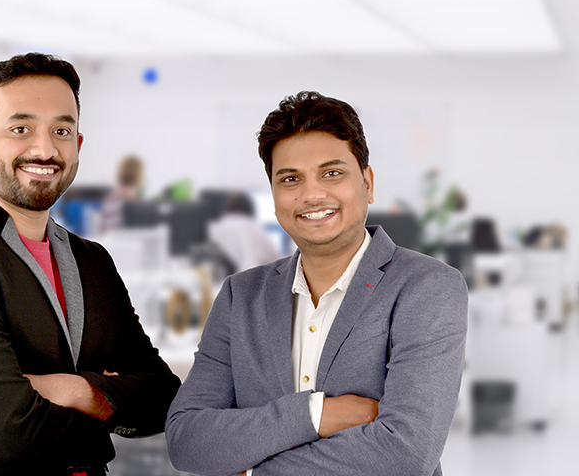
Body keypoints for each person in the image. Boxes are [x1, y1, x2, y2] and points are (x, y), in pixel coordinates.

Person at [0, 53, 181, 475]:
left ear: (78, 145)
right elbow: (11, 433)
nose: (45, 150)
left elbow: (162, 399)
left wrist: (76, 390)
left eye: (61, 131)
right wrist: (108, 404)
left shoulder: (92, 261)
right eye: (20, 129)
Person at [165, 91, 467, 476]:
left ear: (368, 183)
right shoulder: (241, 297)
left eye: (332, 173)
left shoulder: (426, 287)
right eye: (291, 179)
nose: (311, 194)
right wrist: (315, 414)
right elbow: (187, 440)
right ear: (274, 195)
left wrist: (252, 471)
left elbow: (406, 452)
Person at [208, 192, 280, 272]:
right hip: (250, 275)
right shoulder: (254, 228)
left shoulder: (215, 228)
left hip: (218, 276)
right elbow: (274, 259)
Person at [98, 154, 144, 233]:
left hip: (106, 237)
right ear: (138, 175)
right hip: (121, 238)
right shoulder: (130, 197)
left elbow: (101, 226)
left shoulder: (110, 195)